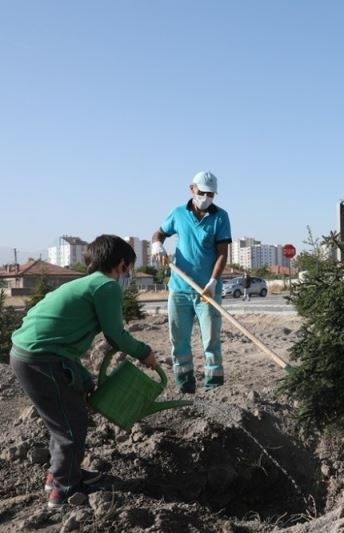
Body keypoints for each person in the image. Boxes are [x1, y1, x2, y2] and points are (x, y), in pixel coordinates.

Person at [9, 235, 157, 509]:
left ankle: (61, 475)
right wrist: (144, 352)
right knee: (71, 425)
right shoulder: (106, 286)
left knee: (63, 419)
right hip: (42, 358)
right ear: (122, 264)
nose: (128, 276)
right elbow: (115, 335)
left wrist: (83, 377)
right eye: (129, 268)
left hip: (31, 354)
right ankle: (64, 491)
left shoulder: (83, 283)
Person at [151, 171, 232, 393]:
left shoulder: (220, 217)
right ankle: (184, 385)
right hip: (179, 290)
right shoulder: (178, 214)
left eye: (211, 194)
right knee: (179, 341)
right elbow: (159, 233)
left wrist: (214, 281)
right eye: (202, 192)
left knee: (211, 341)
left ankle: (214, 387)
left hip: (207, 292)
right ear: (192, 189)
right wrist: (157, 245)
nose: (206, 197)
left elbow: (222, 254)